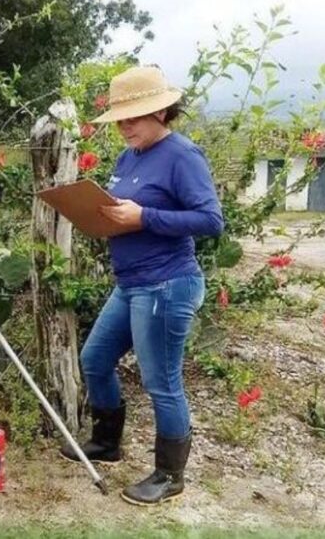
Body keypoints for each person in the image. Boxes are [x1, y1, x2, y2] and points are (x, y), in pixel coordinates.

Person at [58, 66, 224, 506]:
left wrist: (143, 218)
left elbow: (211, 221)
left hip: (167, 285)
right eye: (121, 119)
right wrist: (99, 217)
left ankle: (171, 475)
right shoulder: (128, 156)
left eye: (135, 117)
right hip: (130, 283)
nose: (125, 126)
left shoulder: (182, 155)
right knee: (94, 360)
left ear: (162, 112)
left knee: (161, 381)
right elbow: (121, 209)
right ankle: (108, 442)